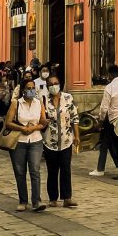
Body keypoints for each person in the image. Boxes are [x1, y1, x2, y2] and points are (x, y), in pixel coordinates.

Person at [6, 78, 47, 211]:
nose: (31, 91)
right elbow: (8, 122)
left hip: (35, 140)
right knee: (20, 171)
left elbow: (42, 121)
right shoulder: (16, 103)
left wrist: (33, 128)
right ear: (23, 90)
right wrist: (22, 129)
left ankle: (37, 200)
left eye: (32, 88)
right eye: (28, 88)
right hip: (19, 141)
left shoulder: (38, 103)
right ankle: (23, 200)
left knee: (35, 170)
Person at [43, 74, 80, 208]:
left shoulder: (68, 98)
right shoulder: (44, 100)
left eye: (56, 83)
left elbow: (74, 117)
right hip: (49, 140)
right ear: (47, 87)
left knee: (66, 168)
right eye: (51, 84)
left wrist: (77, 135)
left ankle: (67, 197)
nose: (54, 86)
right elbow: (41, 118)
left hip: (66, 139)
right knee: (52, 170)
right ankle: (53, 198)